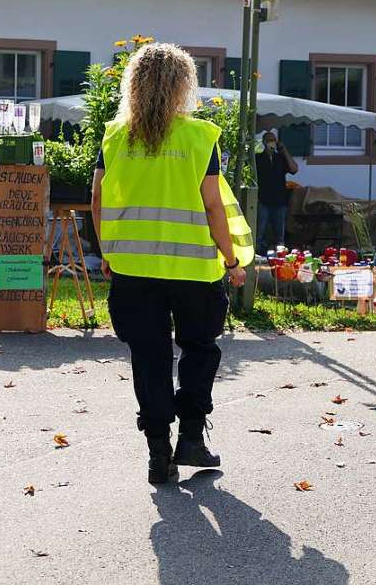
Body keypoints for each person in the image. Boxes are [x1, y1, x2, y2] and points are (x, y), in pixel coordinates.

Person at [92, 43, 253, 484]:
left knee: (149, 355)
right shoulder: (200, 137)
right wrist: (230, 256)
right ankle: (192, 439)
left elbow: (98, 199)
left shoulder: (115, 136)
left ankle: (157, 450)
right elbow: (213, 205)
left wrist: (109, 252)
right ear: (184, 85)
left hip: (133, 270)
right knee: (200, 349)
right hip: (193, 270)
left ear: (134, 86)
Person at [255, 130, 298, 252]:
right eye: (269, 140)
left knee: (280, 236)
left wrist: (284, 150)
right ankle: (258, 254)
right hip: (263, 200)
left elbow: (294, 169)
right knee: (260, 233)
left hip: (279, 201)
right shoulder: (258, 158)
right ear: (264, 142)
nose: (271, 143)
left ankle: (280, 254)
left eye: (273, 140)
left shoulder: (281, 158)